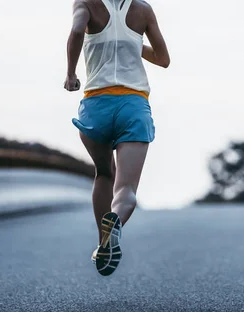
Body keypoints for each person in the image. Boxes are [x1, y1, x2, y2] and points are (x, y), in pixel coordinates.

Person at [63, 0, 170, 276]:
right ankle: (116, 222)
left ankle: (102, 243)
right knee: (126, 190)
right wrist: (132, 43)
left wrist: (71, 73)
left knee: (103, 174)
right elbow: (164, 59)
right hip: (132, 106)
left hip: (96, 107)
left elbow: (76, 32)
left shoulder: (85, 4)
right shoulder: (142, 10)